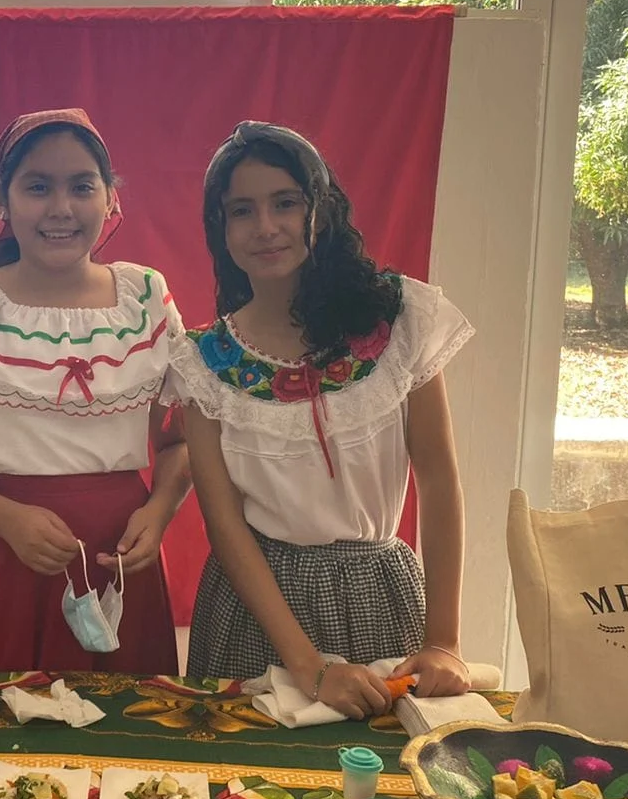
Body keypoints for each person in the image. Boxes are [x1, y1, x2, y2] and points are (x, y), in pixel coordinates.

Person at [168, 121, 473, 718]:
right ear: (219, 228)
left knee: (382, 767)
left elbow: (439, 480)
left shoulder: (399, 321)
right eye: (241, 210)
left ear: (321, 207)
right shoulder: (203, 361)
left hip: (379, 595)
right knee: (242, 768)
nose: (265, 227)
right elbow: (224, 524)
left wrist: (444, 640)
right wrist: (308, 666)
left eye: (285, 202)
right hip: (255, 611)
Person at [0, 109, 190, 673]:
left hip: (118, 561)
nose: (61, 208)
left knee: (126, 725)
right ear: (2, 201)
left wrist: (160, 510)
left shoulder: (146, 299)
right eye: (37, 187)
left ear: (110, 198)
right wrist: (7, 520)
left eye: (82, 186)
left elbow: (177, 443)